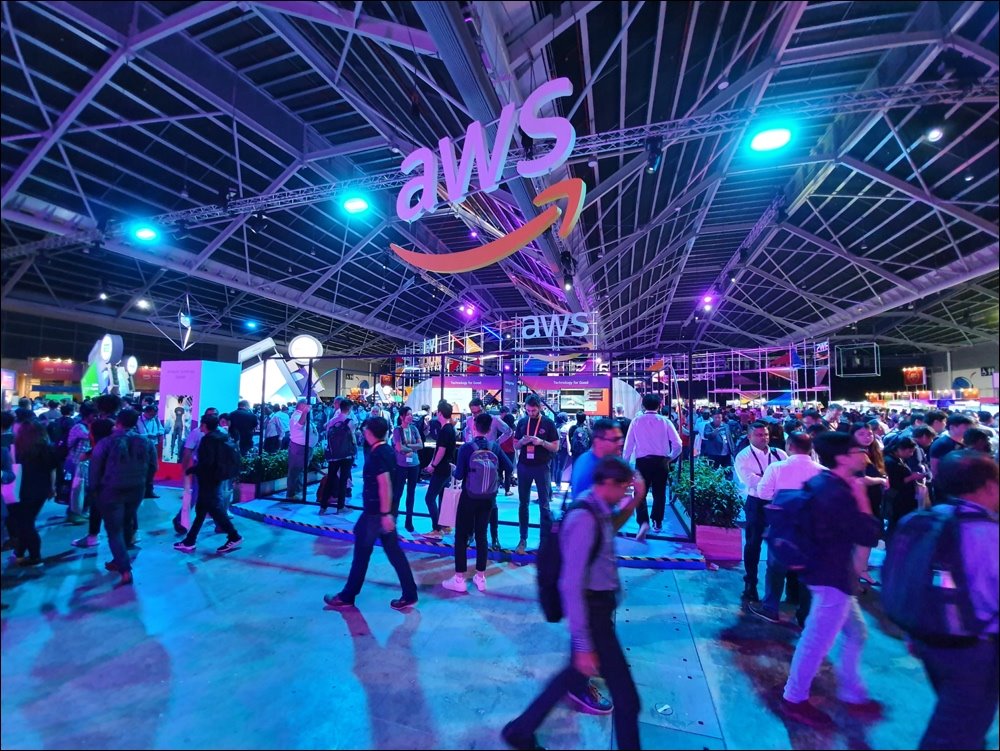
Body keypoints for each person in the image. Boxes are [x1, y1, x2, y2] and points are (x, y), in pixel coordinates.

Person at [502, 456, 642, 751]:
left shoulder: (599, 507)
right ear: (608, 483)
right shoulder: (584, 517)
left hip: (599, 610)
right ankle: (519, 730)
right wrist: (582, 643)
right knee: (627, 700)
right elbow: (570, 583)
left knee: (571, 678)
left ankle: (520, 730)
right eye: (624, 488)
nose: (624, 494)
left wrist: (634, 499)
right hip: (594, 615)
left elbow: (610, 530)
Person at [778, 431, 882, 728]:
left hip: (828, 572)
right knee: (817, 640)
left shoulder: (823, 482)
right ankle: (794, 698)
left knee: (856, 633)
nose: (865, 456)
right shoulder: (838, 493)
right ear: (842, 458)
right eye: (858, 451)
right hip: (831, 576)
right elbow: (868, 533)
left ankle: (852, 691)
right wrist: (861, 498)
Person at [908, 450, 998, 751]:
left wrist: (912, 632)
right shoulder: (989, 535)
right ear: (988, 486)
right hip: (974, 649)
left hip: (928, 638)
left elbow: (910, 580)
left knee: (961, 719)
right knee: (953, 734)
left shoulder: (921, 521)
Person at [323, 416, 418, 611]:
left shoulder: (377, 455)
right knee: (393, 553)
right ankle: (409, 593)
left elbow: (384, 484)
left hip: (376, 514)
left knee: (362, 554)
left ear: (369, 432)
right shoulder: (388, 450)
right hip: (381, 513)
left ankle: (348, 595)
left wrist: (385, 514)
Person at [747, 431, 824, 625]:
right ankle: (805, 614)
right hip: (810, 528)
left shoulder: (777, 468)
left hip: (783, 525)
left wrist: (781, 497)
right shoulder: (823, 471)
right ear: (811, 448)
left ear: (789, 446)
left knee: (775, 568)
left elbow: (763, 493)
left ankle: (770, 608)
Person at [443, 412, 513, 593]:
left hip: (469, 497)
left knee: (461, 536)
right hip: (488, 498)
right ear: (490, 429)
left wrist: (454, 470)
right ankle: (481, 577)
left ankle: (459, 578)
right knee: (482, 536)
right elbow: (509, 467)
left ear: (474, 427)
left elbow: (459, 475)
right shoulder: (494, 447)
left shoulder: (467, 448)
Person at [88, 409, 155, 585]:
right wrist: (145, 482)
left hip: (111, 489)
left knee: (114, 529)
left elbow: (95, 468)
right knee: (127, 523)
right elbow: (153, 466)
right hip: (136, 488)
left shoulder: (106, 442)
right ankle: (119, 560)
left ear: (117, 422)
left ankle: (124, 569)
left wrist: (94, 489)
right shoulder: (146, 441)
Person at [173, 414, 244, 555]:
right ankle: (190, 540)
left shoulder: (208, 440)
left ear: (205, 425)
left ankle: (234, 536)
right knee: (203, 509)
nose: (200, 427)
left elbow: (207, 462)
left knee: (211, 509)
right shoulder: (222, 436)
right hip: (216, 477)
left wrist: (192, 470)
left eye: (202, 424)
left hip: (208, 479)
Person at [734, 421, 788, 602]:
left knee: (780, 543)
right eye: (759, 435)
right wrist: (773, 480)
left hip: (779, 503)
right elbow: (750, 481)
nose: (763, 438)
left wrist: (764, 478)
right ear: (749, 436)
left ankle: (780, 588)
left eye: (765, 434)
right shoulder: (743, 456)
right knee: (753, 544)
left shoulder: (779, 454)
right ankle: (750, 583)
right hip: (756, 503)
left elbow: (786, 478)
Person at [621, 394, 681, 537]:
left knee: (639, 493)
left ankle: (643, 522)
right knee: (659, 493)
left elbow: (628, 446)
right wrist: (670, 457)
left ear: (643, 405)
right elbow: (678, 444)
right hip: (661, 462)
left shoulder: (636, 421)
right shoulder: (665, 421)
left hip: (642, 462)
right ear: (659, 406)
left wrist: (625, 463)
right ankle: (657, 522)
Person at [513, 395, 560, 555]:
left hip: (542, 467)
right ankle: (522, 539)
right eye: (528, 410)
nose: (531, 413)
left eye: (533, 410)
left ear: (539, 407)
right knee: (523, 503)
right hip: (524, 466)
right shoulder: (522, 422)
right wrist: (522, 442)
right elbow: (515, 445)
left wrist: (541, 442)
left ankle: (545, 541)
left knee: (544, 505)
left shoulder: (548, 423)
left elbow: (555, 447)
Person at [7, 420, 57, 567]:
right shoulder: (47, 449)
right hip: (41, 490)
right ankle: (20, 553)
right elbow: (52, 470)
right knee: (27, 522)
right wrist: (52, 488)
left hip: (20, 489)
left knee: (24, 524)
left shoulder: (17, 449)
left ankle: (35, 556)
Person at [850, 421, 888, 587]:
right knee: (863, 541)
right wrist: (881, 480)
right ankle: (858, 574)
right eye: (861, 434)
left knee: (865, 541)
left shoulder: (871, 451)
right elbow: (860, 479)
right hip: (862, 502)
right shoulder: (855, 453)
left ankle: (861, 571)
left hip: (872, 501)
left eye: (869, 434)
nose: (867, 437)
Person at [421, 401, 457, 538]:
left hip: (441, 469)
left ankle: (437, 529)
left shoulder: (445, 430)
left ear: (440, 413)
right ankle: (444, 525)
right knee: (442, 497)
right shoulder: (450, 428)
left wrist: (433, 465)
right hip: (446, 468)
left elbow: (441, 450)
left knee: (429, 498)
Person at [319, 398, 356, 515]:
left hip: (333, 455)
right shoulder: (349, 421)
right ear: (349, 409)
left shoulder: (332, 421)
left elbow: (327, 433)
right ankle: (340, 506)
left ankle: (323, 507)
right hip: (346, 455)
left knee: (330, 479)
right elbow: (353, 438)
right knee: (343, 480)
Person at [883, 436, 924, 537]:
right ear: (900, 449)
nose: (911, 454)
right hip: (898, 500)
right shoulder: (890, 462)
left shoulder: (897, 459)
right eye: (910, 451)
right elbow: (895, 483)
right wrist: (912, 477)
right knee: (897, 525)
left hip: (904, 498)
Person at [391, 406, 423, 532]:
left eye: (411, 414)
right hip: (400, 465)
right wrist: (411, 448)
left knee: (411, 493)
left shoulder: (414, 429)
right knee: (398, 493)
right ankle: (393, 518)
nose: (410, 417)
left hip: (414, 464)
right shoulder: (397, 430)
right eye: (408, 414)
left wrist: (408, 446)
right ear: (402, 417)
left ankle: (409, 521)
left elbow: (421, 445)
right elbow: (399, 448)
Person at [929, 413, 973, 490]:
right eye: (965, 427)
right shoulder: (942, 444)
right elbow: (934, 468)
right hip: (947, 486)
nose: (969, 430)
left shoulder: (967, 442)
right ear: (952, 427)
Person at [287, 400, 318, 502]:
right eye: (307, 405)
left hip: (305, 447)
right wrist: (305, 413)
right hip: (299, 447)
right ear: (302, 406)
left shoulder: (302, 415)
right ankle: (292, 494)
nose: (310, 407)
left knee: (301, 470)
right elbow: (299, 425)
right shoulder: (297, 416)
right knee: (296, 471)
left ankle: (300, 490)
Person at [138, 404, 163, 499]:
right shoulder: (137, 420)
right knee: (141, 468)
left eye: (155, 414)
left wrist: (160, 433)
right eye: (151, 414)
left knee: (153, 468)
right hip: (141, 446)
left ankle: (149, 491)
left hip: (153, 446)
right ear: (146, 412)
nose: (153, 416)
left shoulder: (155, 419)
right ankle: (139, 490)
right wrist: (147, 435)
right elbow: (133, 433)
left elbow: (161, 429)